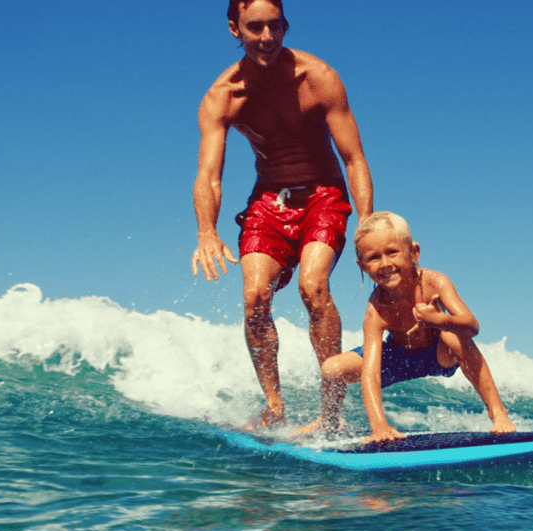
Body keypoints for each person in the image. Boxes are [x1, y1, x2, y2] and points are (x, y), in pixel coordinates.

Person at [190, 0, 373, 432]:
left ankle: (331, 413)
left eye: (275, 26)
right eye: (255, 27)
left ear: (286, 25)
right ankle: (274, 405)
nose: (267, 38)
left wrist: (365, 222)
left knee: (313, 286)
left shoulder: (318, 78)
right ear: (235, 29)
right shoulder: (224, 96)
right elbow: (209, 176)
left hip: (323, 195)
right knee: (255, 298)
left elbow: (354, 160)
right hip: (268, 199)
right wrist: (206, 231)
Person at [320, 212, 516, 443]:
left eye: (392, 252)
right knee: (331, 369)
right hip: (398, 359)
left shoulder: (435, 282)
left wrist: (440, 321)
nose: (385, 264)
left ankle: (498, 413)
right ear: (362, 266)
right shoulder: (376, 309)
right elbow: (371, 372)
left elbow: (472, 326)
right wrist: (379, 426)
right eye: (373, 258)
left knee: (453, 336)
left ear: (413, 252)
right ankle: (329, 421)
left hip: (437, 354)